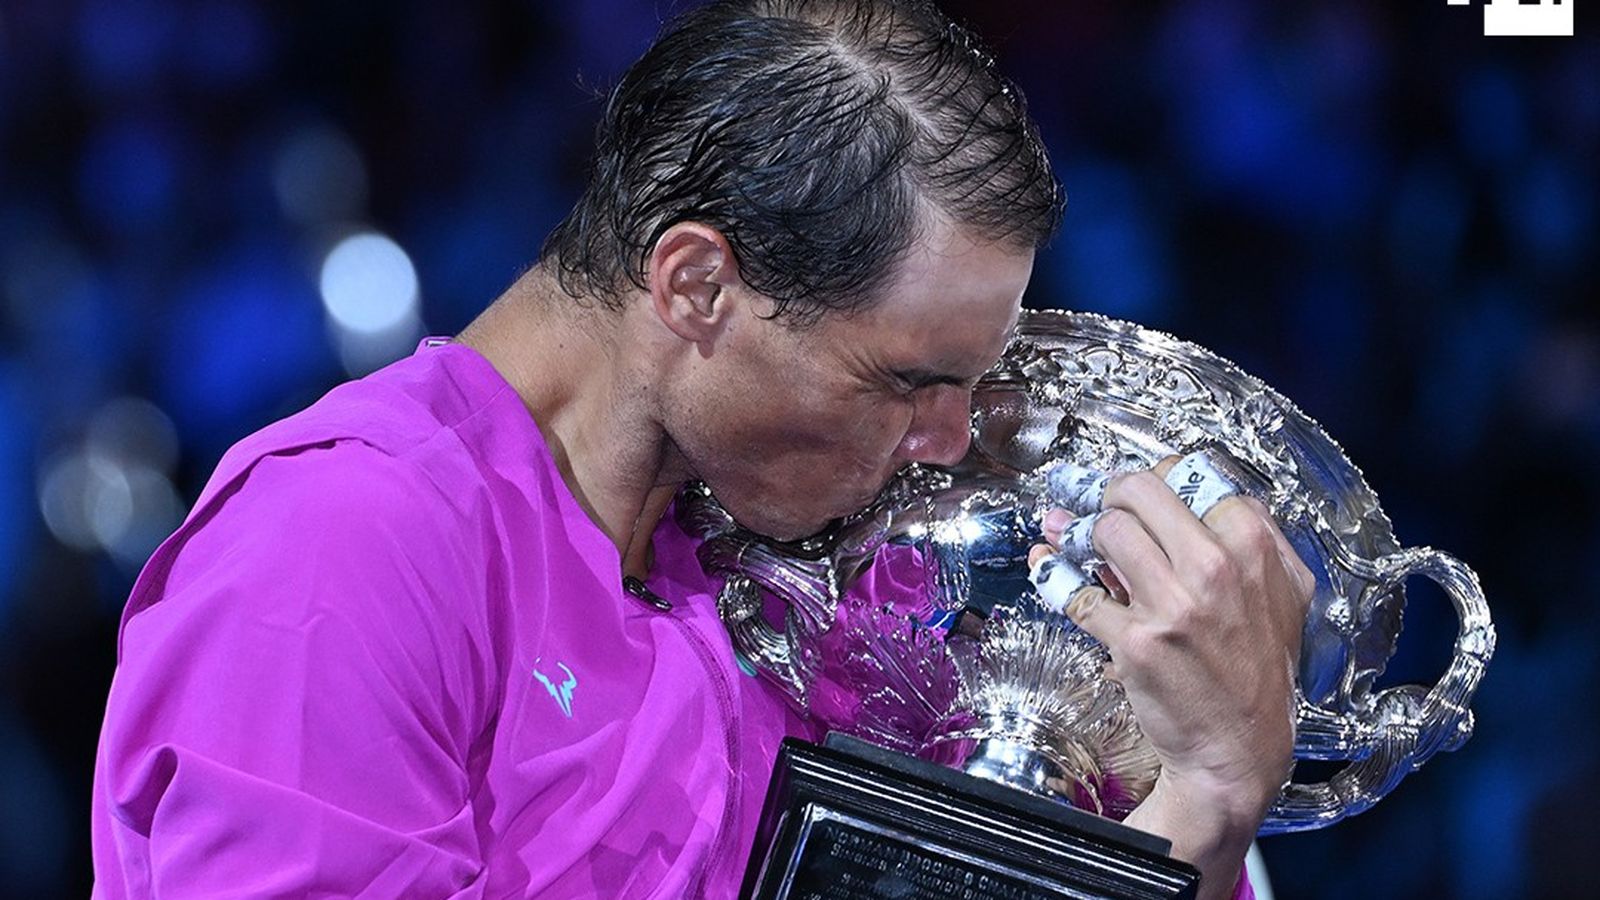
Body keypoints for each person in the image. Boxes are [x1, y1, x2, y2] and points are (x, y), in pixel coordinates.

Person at [91, 1, 1311, 897]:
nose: (947, 441)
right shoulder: (346, 544)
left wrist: (1197, 803)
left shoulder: (789, 579)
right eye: (906, 381)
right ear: (695, 285)